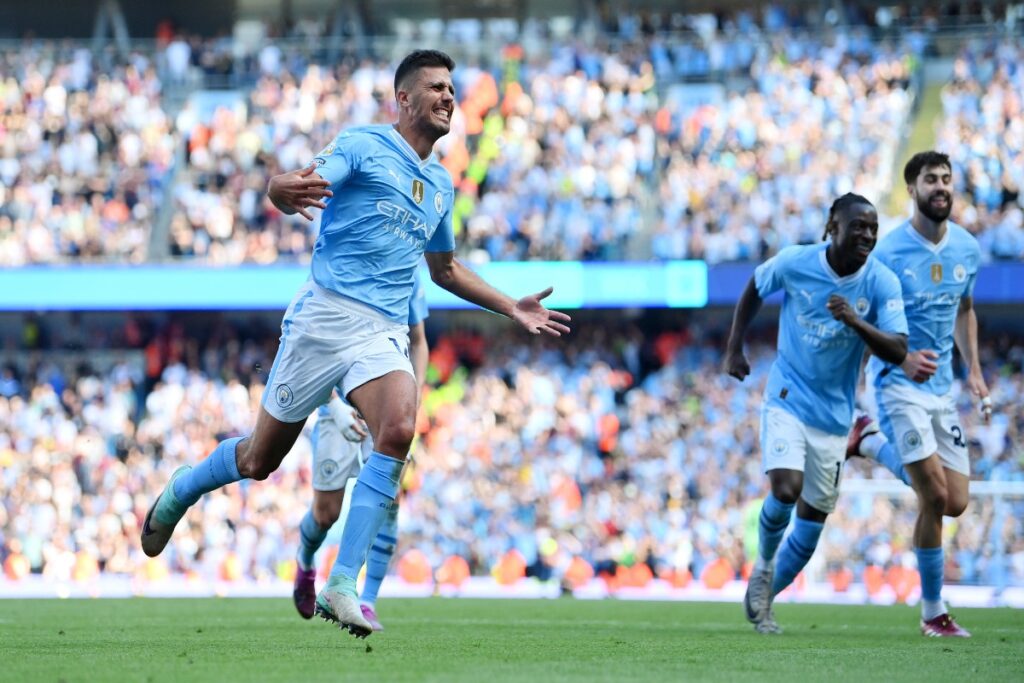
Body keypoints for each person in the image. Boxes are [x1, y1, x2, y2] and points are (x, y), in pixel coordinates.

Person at [140, 49, 571, 639]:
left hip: (381, 330)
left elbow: (443, 271)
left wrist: (510, 305)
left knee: (399, 426)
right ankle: (184, 486)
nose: (448, 97)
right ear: (404, 99)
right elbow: (304, 181)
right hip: (324, 317)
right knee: (257, 462)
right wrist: (277, 188)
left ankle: (343, 585)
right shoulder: (362, 145)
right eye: (436, 88)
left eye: (452, 89)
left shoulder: (441, 184)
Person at [724, 193, 908, 634]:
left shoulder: (882, 282)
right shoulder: (796, 263)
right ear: (833, 227)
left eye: (872, 228)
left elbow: (899, 349)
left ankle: (764, 597)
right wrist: (734, 346)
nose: (866, 234)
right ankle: (764, 565)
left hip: (834, 417)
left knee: (810, 527)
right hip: (788, 394)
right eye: (858, 226)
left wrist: (856, 322)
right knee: (786, 489)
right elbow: (754, 285)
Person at [848, 151, 988, 638]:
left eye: (947, 179)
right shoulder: (885, 254)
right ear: (912, 189)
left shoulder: (967, 249)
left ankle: (870, 444)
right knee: (932, 494)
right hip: (896, 385)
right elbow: (862, 324)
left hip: (941, 391)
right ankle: (934, 612)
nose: (942, 187)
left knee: (956, 502)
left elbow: (965, 310)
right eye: (931, 179)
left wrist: (973, 370)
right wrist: (900, 358)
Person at [292, 270, 430, 631]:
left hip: (383, 401)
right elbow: (313, 344)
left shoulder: (407, 271)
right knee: (326, 514)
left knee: (389, 501)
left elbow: (418, 341)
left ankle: (366, 600)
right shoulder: (342, 263)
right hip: (337, 404)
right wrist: (334, 406)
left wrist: (410, 408)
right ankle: (305, 560)